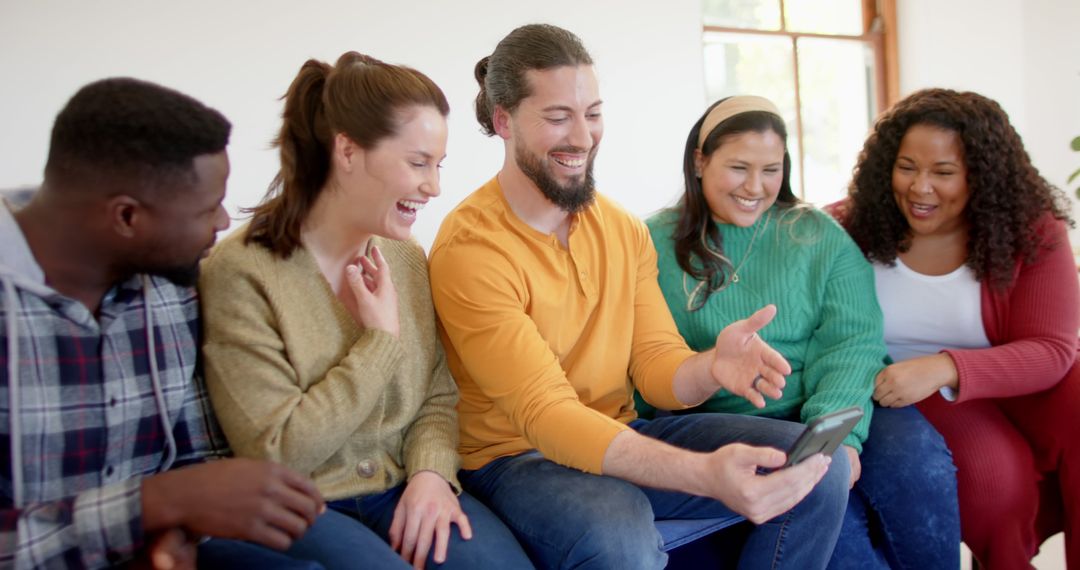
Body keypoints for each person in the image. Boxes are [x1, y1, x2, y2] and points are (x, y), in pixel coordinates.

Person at [428, 24, 849, 569]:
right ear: (504, 120)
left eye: (593, 113)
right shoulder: (471, 248)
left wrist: (712, 367)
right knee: (618, 532)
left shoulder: (621, 228)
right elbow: (547, 413)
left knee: (820, 467)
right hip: (515, 456)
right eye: (558, 117)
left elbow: (654, 366)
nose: (583, 136)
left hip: (620, 427)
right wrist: (705, 474)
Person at [198, 52, 532, 570]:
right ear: (348, 152)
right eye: (418, 163)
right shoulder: (241, 271)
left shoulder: (403, 255)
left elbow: (437, 395)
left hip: (399, 484)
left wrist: (430, 473)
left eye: (437, 166)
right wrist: (377, 344)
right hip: (301, 502)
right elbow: (276, 451)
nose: (434, 187)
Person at [0, 78, 325, 569]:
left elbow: (200, 458)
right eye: (204, 208)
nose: (221, 222)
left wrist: (173, 532)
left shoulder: (174, 286)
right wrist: (152, 505)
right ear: (127, 217)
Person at [641, 95, 959, 569]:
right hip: (737, 422)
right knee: (846, 545)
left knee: (922, 470)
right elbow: (646, 366)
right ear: (700, 160)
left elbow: (853, 343)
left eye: (771, 169)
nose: (756, 186)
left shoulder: (816, 233)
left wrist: (839, 439)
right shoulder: (651, 243)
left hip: (834, 405)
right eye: (739, 167)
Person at [835, 87, 1079, 569]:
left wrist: (946, 367)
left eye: (943, 173)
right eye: (907, 167)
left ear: (982, 177)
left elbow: (1053, 350)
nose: (920, 188)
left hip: (1007, 381)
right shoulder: (846, 227)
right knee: (995, 486)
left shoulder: (1030, 231)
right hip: (904, 385)